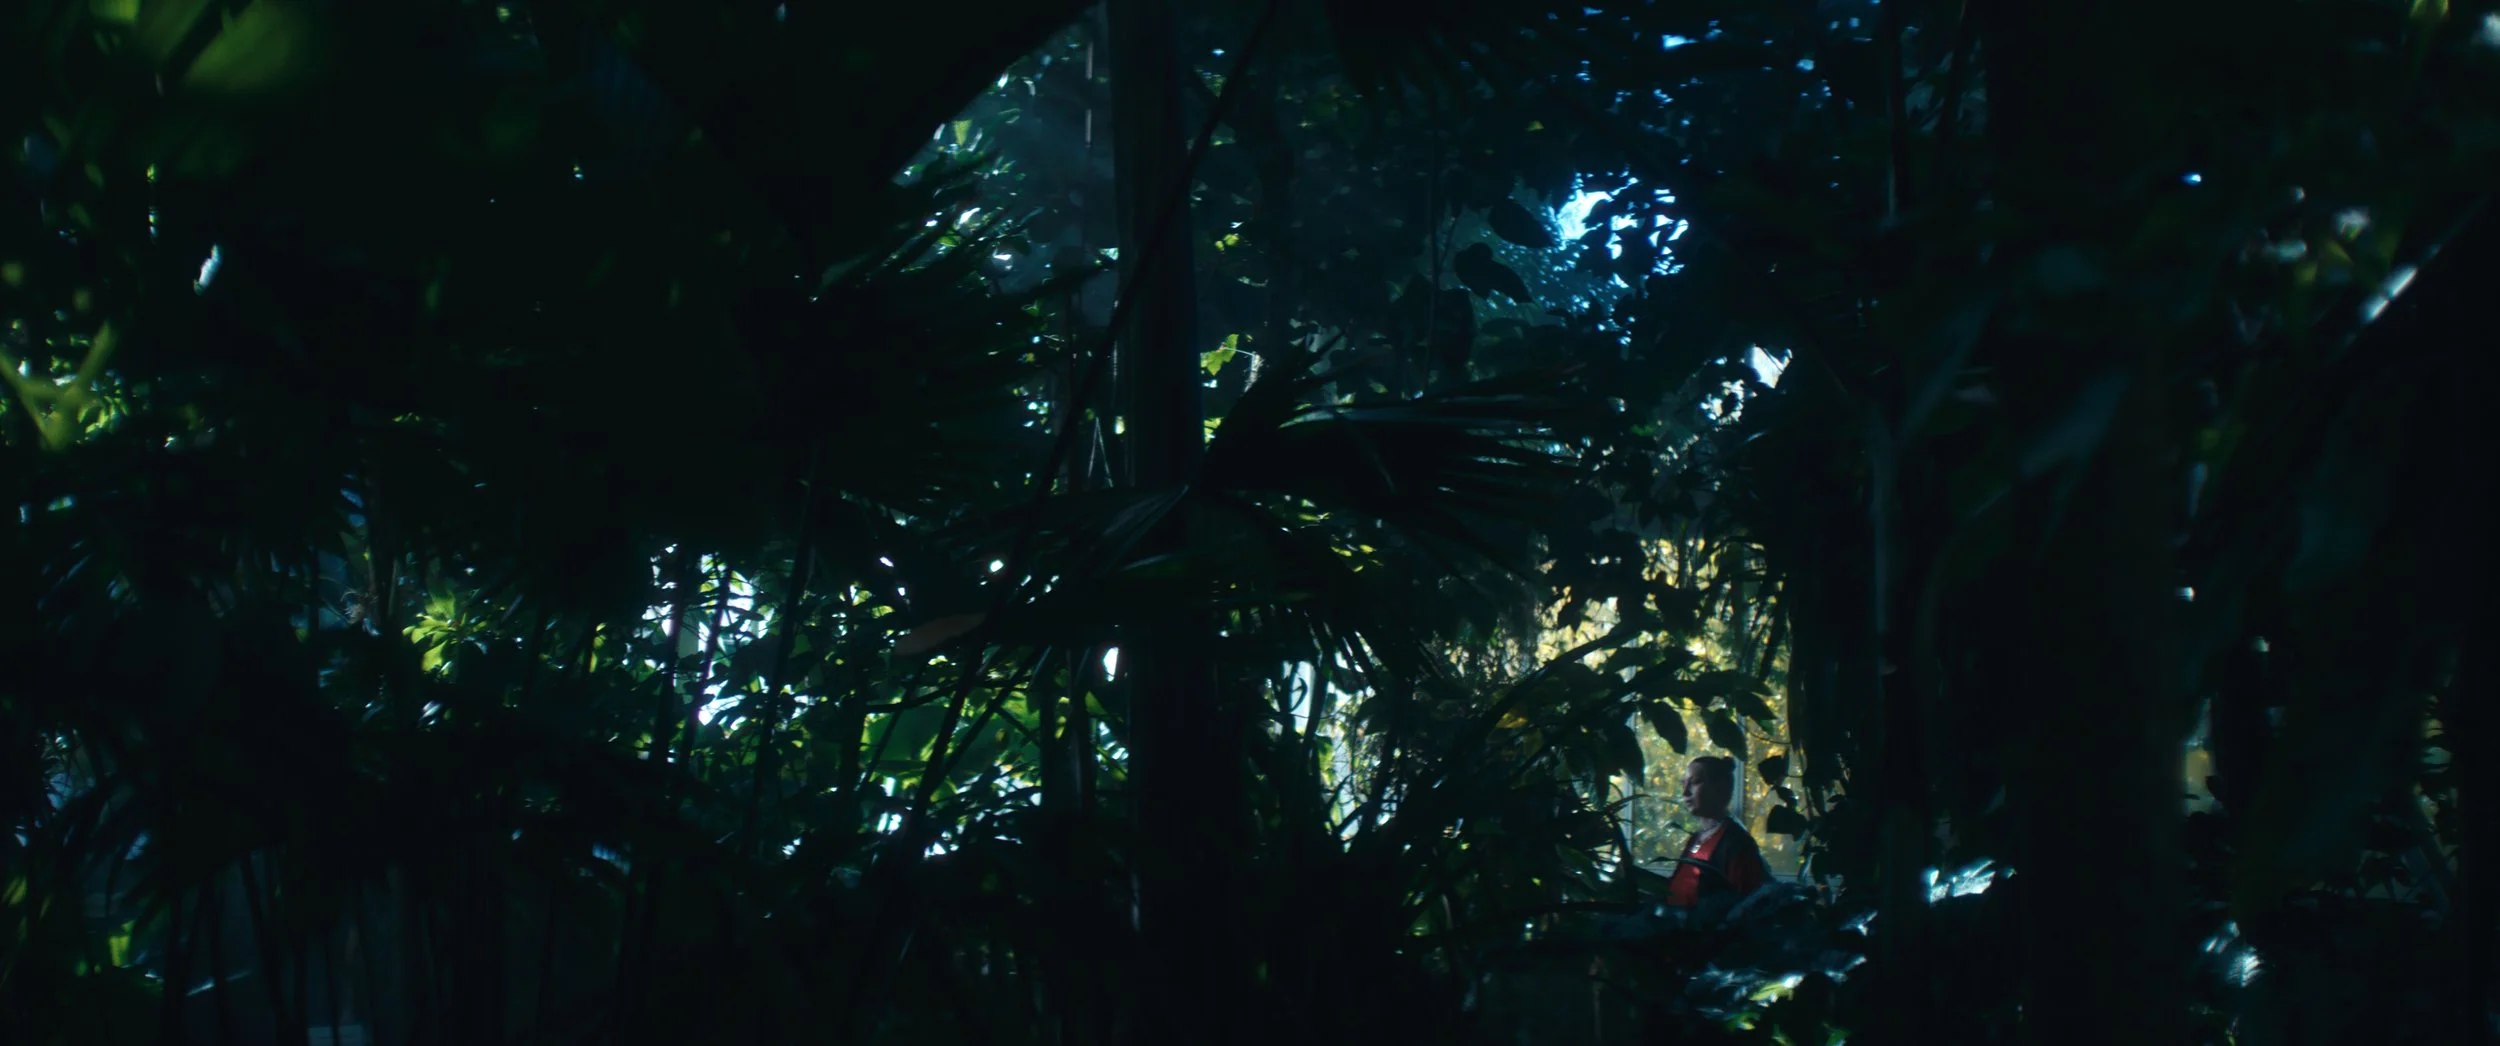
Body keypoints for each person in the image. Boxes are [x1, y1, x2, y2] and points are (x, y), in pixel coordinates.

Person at [1663, 756, 1770, 909]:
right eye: (1683, 783)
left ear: (1720, 788)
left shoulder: (1736, 843)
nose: (1685, 792)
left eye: (1695, 782)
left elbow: (1744, 905)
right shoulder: (1696, 838)